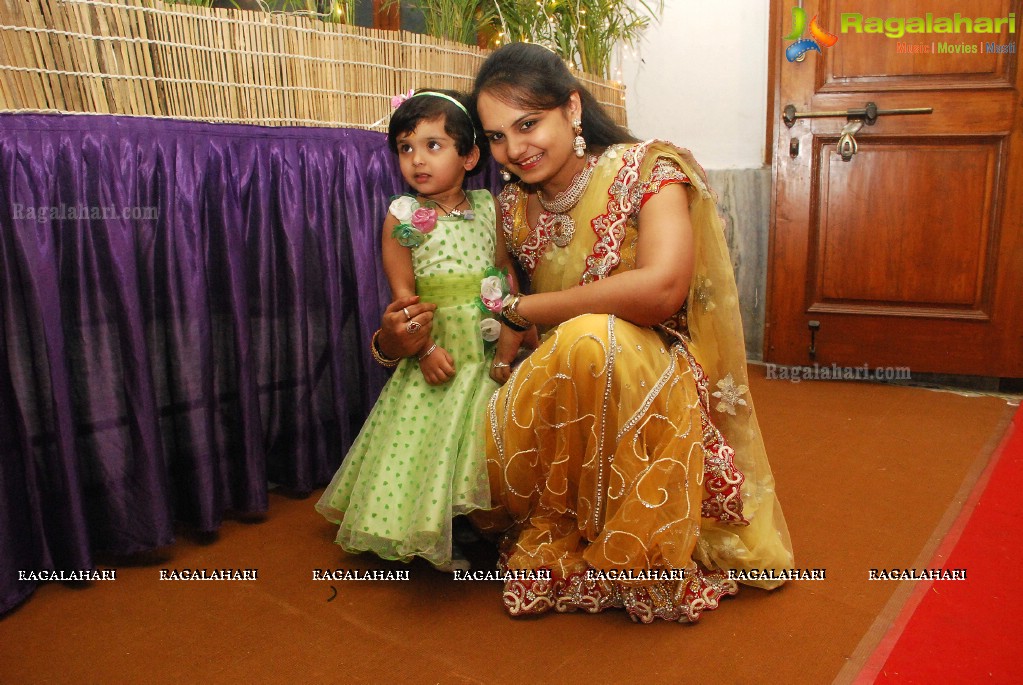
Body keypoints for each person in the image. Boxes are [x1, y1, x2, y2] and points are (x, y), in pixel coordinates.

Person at [460, 42, 795, 623]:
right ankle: (563, 518)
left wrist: (529, 307)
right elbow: (500, 314)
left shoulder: (648, 171)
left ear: (571, 108)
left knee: (594, 339)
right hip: (560, 387)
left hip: (650, 372)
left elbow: (662, 288)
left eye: (528, 124)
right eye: (496, 137)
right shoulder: (511, 206)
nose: (514, 149)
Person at [315, 89, 514, 572]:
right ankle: (441, 529)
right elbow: (402, 302)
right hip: (440, 349)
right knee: (434, 441)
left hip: (486, 346)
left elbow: (505, 274)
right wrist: (422, 352)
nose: (417, 160)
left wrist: (515, 334)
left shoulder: (490, 206)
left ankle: (485, 521)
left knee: (480, 438)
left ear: (469, 156)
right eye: (406, 148)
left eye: (433, 145)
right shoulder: (402, 218)